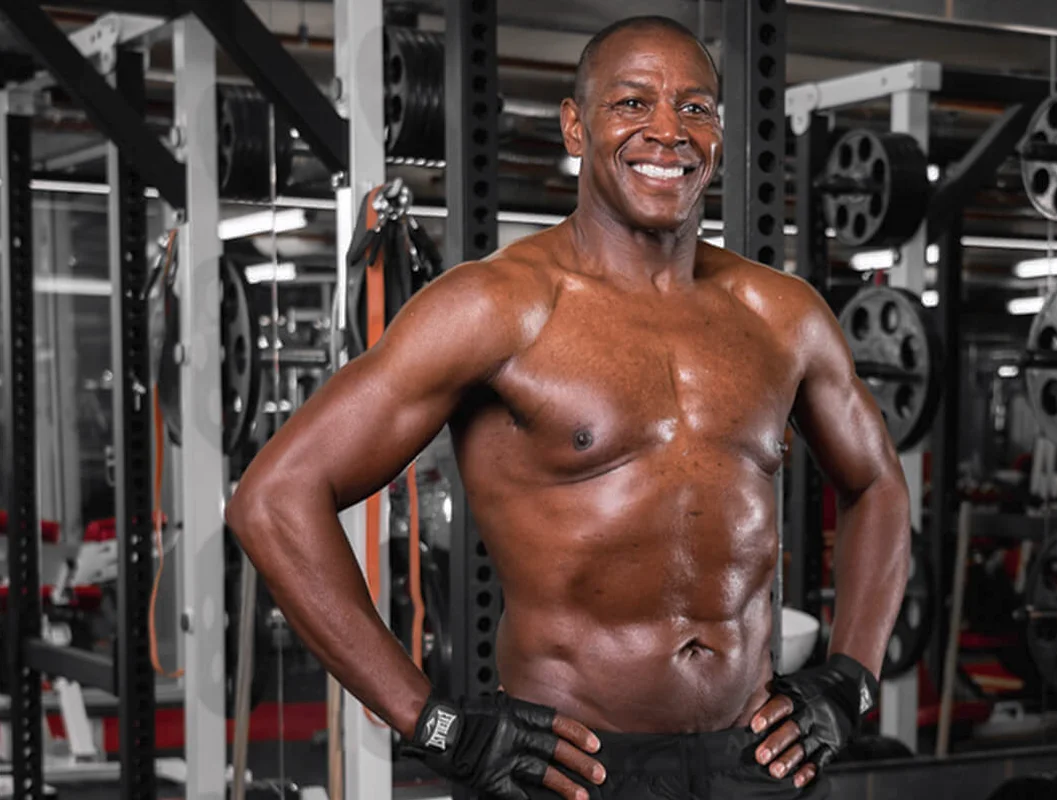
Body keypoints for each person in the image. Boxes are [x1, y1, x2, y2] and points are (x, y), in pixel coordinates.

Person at [226, 14, 910, 800]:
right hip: (567, 771)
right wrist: (434, 724)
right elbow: (275, 499)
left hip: (753, 762)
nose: (667, 132)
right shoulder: (498, 307)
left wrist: (851, 679)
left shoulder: (782, 316)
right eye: (632, 104)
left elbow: (880, 485)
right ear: (575, 127)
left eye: (694, 108)